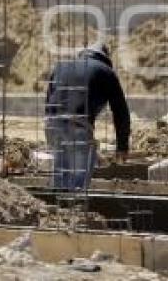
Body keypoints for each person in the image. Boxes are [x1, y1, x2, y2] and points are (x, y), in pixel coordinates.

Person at [44, 42, 130, 190]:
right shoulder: (106, 72)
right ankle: (73, 206)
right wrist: (122, 147)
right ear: (105, 58)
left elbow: (49, 99)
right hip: (78, 124)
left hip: (52, 124)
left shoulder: (61, 66)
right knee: (78, 182)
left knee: (62, 171)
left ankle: (58, 206)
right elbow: (120, 111)